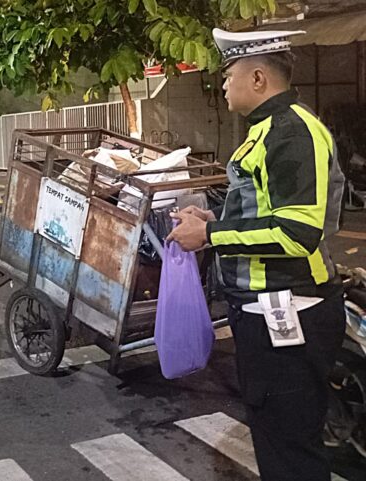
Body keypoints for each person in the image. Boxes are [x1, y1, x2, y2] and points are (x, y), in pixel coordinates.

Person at [168, 29, 345, 480]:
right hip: (265, 311)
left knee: (290, 449)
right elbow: (258, 205)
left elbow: (296, 232)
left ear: (259, 77)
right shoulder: (266, 130)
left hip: (290, 310)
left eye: (228, 75)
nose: (223, 85)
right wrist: (209, 218)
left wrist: (211, 237)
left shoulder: (291, 131)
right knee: (275, 436)